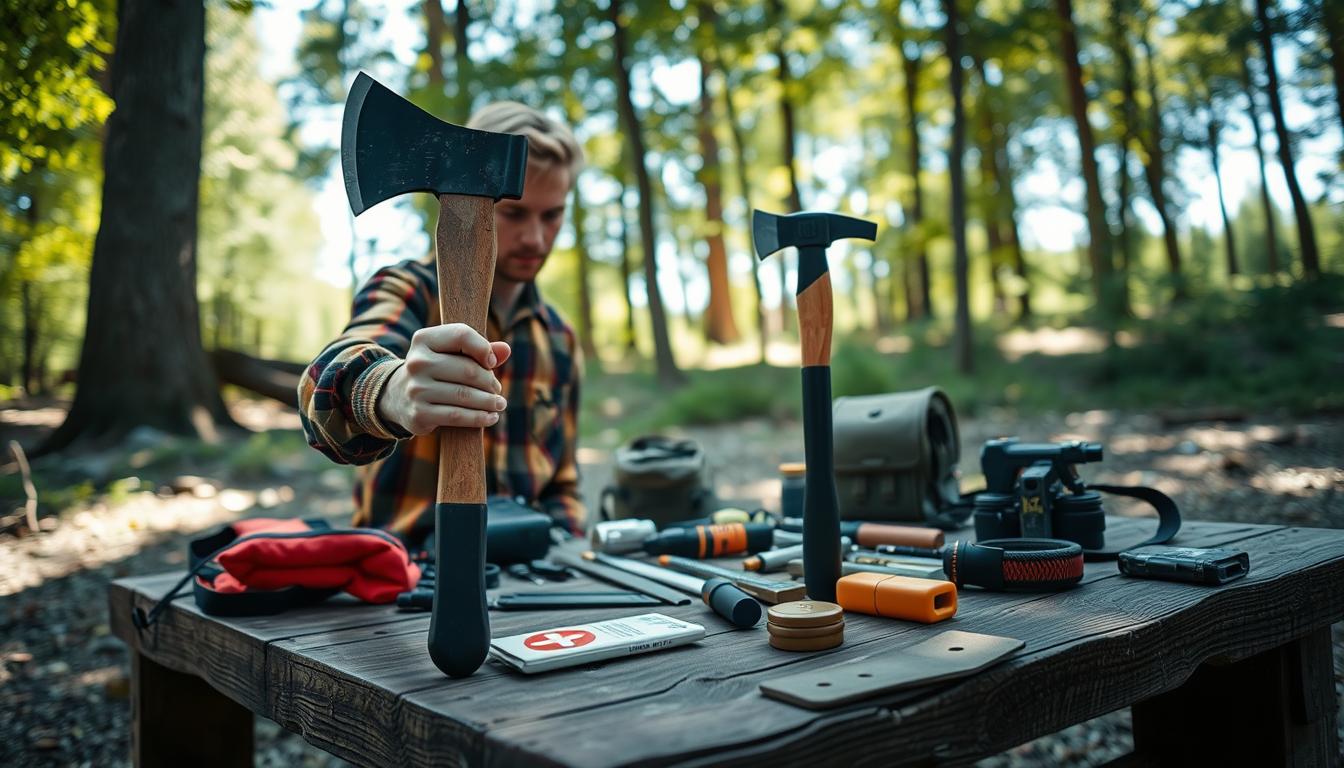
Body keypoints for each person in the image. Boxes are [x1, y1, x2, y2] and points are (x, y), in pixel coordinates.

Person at [298, 101, 586, 545]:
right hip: (407, 570)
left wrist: (570, 544)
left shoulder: (559, 338)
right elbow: (327, 387)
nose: (535, 238)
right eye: (515, 213)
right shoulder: (406, 289)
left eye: (552, 216)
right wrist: (391, 392)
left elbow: (562, 482)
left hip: (531, 573)